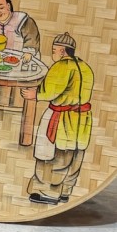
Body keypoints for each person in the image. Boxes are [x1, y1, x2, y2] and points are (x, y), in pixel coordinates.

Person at [23, 32, 94, 205]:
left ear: (62, 51)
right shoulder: (85, 67)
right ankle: (65, 192)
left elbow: (50, 91)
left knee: (55, 156)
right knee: (75, 156)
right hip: (82, 119)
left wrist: (35, 94)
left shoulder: (61, 66)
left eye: (54, 50)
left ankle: (47, 192)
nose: (53, 53)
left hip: (62, 117)